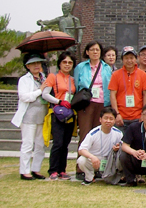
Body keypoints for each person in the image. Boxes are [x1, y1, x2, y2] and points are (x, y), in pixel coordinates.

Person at [12, 53, 48, 180]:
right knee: (27, 144)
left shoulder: (43, 77)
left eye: (38, 63)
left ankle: (36, 169)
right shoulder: (24, 80)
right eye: (33, 64)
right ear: (27, 66)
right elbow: (24, 97)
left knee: (40, 145)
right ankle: (24, 170)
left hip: (42, 115)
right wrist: (40, 90)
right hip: (29, 116)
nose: (37, 66)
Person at [74, 41, 113, 161]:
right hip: (86, 103)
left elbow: (109, 86)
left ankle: (97, 166)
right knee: (85, 134)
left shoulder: (106, 67)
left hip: (102, 103)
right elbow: (76, 85)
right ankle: (81, 166)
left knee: (99, 136)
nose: (95, 52)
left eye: (97, 50)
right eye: (92, 49)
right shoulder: (81, 67)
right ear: (87, 52)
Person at [42, 51, 77, 180]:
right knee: (58, 142)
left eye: (70, 62)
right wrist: (59, 101)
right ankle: (53, 170)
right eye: (64, 62)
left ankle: (62, 170)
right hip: (57, 113)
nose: (67, 65)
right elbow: (45, 94)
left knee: (65, 143)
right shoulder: (53, 77)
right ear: (59, 63)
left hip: (70, 114)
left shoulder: (73, 80)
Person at [77, 107, 123, 185]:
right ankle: (89, 177)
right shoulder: (93, 133)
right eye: (106, 118)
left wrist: (118, 148)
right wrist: (92, 157)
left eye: (111, 119)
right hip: (95, 161)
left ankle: (117, 177)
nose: (108, 121)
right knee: (81, 160)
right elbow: (81, 150)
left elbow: (123, 147)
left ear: (115, 120)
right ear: (100, 119)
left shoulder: (118, 133)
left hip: (110, 161)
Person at [108, 46, 146, 132]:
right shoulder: (116, 75)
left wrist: (144, 114)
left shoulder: (143, 75)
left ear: (136, 58)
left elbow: (145, 95)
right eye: (126, 58)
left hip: (138, 117)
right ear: (122, 60)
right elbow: (112, 95)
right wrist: (117, 114)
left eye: (131, 58)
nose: (129, 60)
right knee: (119, 143)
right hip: (121, 117)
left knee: (136, 144)